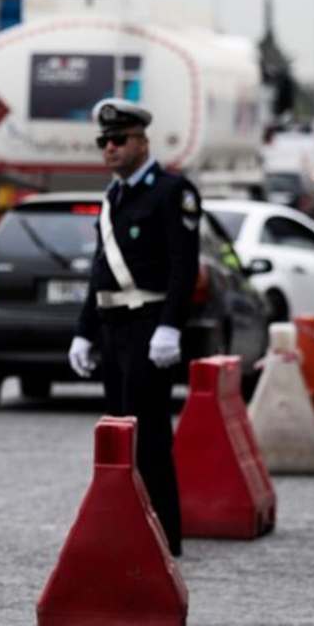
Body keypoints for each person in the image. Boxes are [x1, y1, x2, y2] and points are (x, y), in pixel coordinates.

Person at [67, 98, 200, 557]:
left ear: (143, 142)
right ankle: (128, 526)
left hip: (148, 326)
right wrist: (84, 331)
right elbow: (101, 271)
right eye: (103, 141)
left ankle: (165, 533)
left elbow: (185, 267)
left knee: (150, 438)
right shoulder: (114, 197)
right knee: (118, 433)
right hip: (113, 329)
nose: (109, 147)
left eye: (118, 139)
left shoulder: (172, 192)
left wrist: (170, 328)